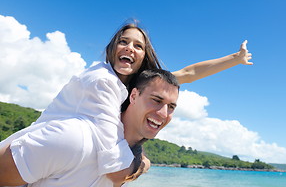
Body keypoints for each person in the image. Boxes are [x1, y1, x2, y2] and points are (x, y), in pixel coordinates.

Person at [0, 21, 253, 186]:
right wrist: (142, 163)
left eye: (138, 45)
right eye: (123, 41)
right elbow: (115, 166)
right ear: (112, 49)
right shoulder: (102, 81)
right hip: (39, 152)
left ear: (144, 56)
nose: (130, 48)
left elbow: (187, 73)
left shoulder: (136, 84)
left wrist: (235, 58)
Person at [0, 69, 180, 187]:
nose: (164, 114)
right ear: (133, 96)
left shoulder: (126, 160)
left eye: (171, 107)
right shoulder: (75, 139)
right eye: (156, 100)